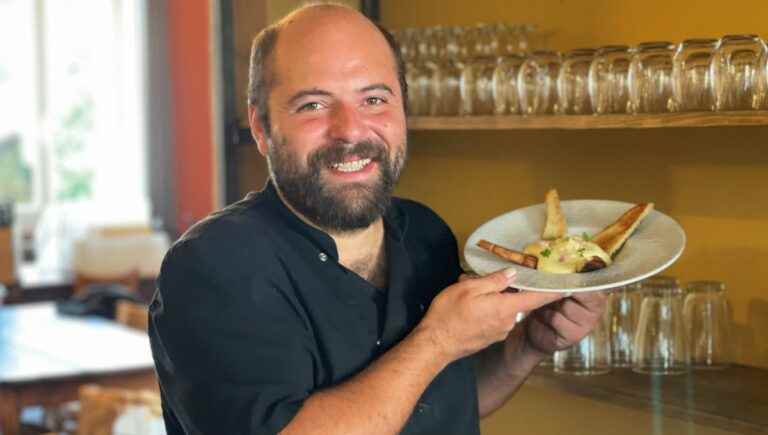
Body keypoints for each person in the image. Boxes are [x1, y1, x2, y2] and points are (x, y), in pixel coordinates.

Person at [148, 3, 607, 435]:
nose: (349, 130)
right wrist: (437, 341)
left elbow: (431, 406)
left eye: (374, 99)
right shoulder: (213, 267)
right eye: (313, 104)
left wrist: (526, 347)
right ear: (263, 128)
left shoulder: (426, 234)